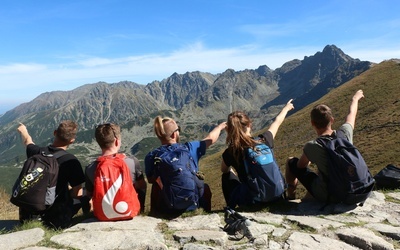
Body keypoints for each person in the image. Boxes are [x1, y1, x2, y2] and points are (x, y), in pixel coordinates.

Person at [285, 89, 366, 202]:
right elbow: (351, 114)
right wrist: (355, 98)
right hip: (358, 191)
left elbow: (300, 166)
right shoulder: (345, 133)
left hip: (333, 195)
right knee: (323, 172)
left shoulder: (312, 146)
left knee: (291, 162)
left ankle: (290, 197)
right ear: (332, 120)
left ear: (312, 123)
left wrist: (309, 158)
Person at [145, 116, 227, 215]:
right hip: (191, 204)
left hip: (167, 206)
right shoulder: (189, 148)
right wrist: (220, 127)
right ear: (174, 134)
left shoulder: (152, 156)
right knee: (205, 187)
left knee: (155, 186)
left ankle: (155, 213)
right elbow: (210, 139)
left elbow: (150, 180)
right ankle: (203, 212)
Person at [221, 100, 295, 208]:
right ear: (250, 124)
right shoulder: (264, 140)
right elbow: (277, 122)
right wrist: (286, 108)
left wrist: (233, 169)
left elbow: (224, 170)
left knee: (226, 176)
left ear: (229, 130)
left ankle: (233, 208)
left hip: (254, 201)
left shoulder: (231, 152)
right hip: (277, 196)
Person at [16, 121, 86, 229]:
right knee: (86, 192)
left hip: (27, 216)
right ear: (72, 141)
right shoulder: (71, 161)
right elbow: (78, 193)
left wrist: (23, 130)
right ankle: (87, 218)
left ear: (54, 133)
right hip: (55, 220)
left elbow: (27, 141)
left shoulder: (37, 152)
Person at [85, 123, 147, 213]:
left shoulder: (90, 168)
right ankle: (140, 211)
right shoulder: (132, 162)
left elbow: (89, 193)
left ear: (99, 143)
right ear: (117, 141)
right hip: (129, 211)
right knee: (140, 185)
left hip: (103, 214)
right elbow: (142, 186)